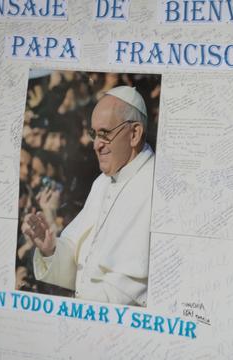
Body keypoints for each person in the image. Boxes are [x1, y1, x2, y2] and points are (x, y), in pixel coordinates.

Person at [21, 86, 155, 306]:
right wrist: (51, 249)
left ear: (134, 134)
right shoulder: (102, 183)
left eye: (105, 134)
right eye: (94, 134)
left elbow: (128, 292)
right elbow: (82, 269)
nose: (96, 144)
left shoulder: (155, 187)